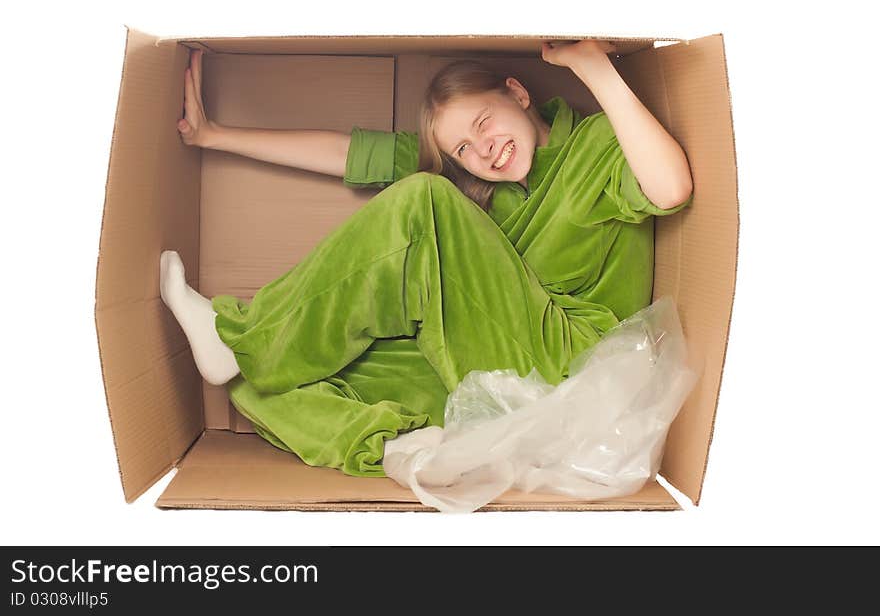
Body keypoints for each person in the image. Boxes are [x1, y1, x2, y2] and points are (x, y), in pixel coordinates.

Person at [160, 40, 693, 477]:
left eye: (483, 122)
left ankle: (241, 335)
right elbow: (346, 152)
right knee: (260, 381)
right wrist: (215, 135)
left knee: (421, 200)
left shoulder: (598, 146)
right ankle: (394, 446)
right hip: (502, 376)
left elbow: (671, 189)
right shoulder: (473, 191)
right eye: (462, 148)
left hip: (581, 365)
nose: (483, 150)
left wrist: (592, 66)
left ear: (518, 93)